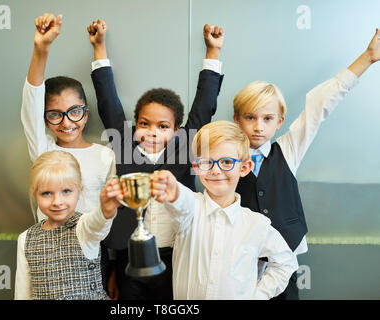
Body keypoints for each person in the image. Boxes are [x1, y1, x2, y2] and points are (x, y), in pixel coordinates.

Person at [232, 28, 380, 299]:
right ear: (236, 119)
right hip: (240, 260)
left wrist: (367, 58)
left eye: (267, 119)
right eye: (250, 117)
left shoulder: (288, 149)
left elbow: (319, 103)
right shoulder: (226, 156)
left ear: (279, 121)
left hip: (284, 259)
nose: (258, 127)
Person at [87, 19, 224, 299]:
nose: (152, 131)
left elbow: (205, 106)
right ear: (134, 124)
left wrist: (213, 53)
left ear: (176, 131)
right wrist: (99, 47)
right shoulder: (124, 145)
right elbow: (108, 102)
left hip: (176, 256)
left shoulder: (184, 148)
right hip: (129, 259)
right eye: (144, 123)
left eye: (163, 126)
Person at [150, 121, 298, 299]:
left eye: (227, 162)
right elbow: (181, 200)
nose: (215, 170)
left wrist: (256, 296)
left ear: (244, 168)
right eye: (206, 162)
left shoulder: (257, 224)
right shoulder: (190, 210)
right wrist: (172, 189)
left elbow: (286, 263)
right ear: (196, 167)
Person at [21, 13, 115, 223]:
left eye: (74, 111)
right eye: (55, 114)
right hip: (49, 248)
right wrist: (41, 49)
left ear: (86, 113)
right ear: (44, 120)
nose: (66, 122)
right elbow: (32, 100)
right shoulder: (44, 152)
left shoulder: (106, 156)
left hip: (93, 250)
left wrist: (99, 47)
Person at [14, 150, 123, 300]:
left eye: (66, 191)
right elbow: (23, 293)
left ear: (79, 191)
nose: (57, 201)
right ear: (35, 194)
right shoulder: (25, 239)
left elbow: (98, 224)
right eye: (46, 193)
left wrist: (106, 210)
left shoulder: (83, 227)